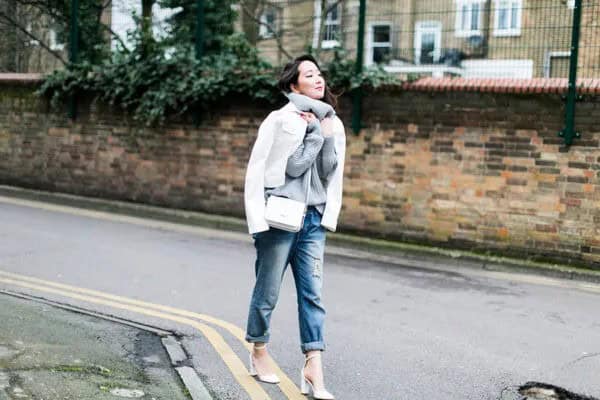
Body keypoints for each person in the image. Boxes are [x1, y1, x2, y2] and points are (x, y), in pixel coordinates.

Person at [243, 54, 346, 400]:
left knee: (312, 294)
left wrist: (326, 134)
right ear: (293, 84)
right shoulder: (280, 119)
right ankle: (258, 350)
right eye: (309, 74)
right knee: (268, 290)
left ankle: (313, 366)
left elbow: (330, 171)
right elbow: (286, 169)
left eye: (319, 74)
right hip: (281, 217)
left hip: (313, 218)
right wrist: (314, 135)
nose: (319, 79)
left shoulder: (333, 122)